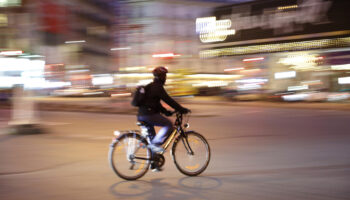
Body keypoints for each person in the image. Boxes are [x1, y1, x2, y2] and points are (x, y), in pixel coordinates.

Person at [137, 66, 190, 171]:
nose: (165, 78)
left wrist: (166, 112)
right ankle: (155, 146)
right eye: (164, 75)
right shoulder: (158, 87)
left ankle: (154, 163)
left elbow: (156, 103)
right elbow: (168, 100)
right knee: (168, 125)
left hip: (142, 115)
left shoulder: (152, 86)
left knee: (152, 140)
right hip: (148, 115)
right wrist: (181, 109)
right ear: (161, 76)